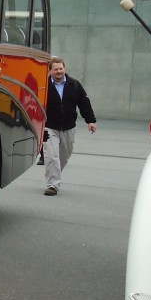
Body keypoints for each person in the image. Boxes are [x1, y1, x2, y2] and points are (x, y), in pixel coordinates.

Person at [43, 55, 97, 196]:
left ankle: (54, 173)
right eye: (55, 70)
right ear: (50, 71)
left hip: (69, 127)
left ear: (64, 69)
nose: (59, 72)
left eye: (61, 69)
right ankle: (52, 185)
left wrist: (90, 121)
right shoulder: (44, 86)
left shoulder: (75, 85)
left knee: (63, 156)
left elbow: (84, 104)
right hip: (49, 127)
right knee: (52, 156)